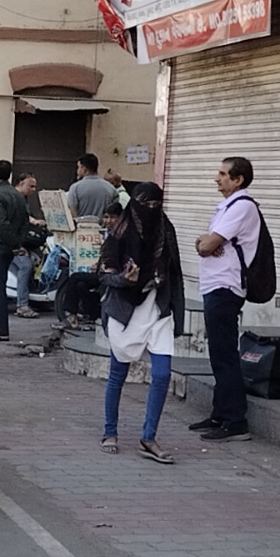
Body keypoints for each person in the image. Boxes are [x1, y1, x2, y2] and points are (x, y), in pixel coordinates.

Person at [98, 182, 185, 463]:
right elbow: (104, 274)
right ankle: (109, 431)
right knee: (117, 374)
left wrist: (179, 316)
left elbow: (176, 274)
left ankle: (148, 438)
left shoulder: (166, 230)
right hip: (124, 311)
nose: (151, 210)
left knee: (162, 375)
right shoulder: (118, 233)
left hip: (157, 309)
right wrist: (125, 279)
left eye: (156, 204)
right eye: (145, 204)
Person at [191, 156, 260, 443]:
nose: (216, 178)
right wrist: (205, 243)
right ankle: (220, 413)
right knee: (218, 354)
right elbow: (205, 243)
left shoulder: (242, 206)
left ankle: (235, 421)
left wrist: (206, 243)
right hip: (215, 286)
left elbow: (207, 244)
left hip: (226, 287)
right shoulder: (228, 206)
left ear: (238, 179)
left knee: (225, 355)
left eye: (222, 174)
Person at [0, 159, 27, 341]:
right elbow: (25, 221)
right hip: (10, 246)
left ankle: (0, 329)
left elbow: (0, 222)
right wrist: (18, 243)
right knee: (0, 286)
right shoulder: (18, 195)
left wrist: (13, 242)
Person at [9, 173, 45, 320]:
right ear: (20, 183)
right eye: (31, 186)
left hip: (22, 242)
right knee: (26, 266)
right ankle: (22, 305)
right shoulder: (13, 199)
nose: (33, 190)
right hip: (12, 244)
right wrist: (16, 245)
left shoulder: (23, 199)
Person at [66, 153, 119, 219]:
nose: (77, 171)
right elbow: (115, 212)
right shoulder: (111, 189)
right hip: (102, 225)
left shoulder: (75, 188)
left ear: (84, 169)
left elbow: (73, 212)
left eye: (78, 167)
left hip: (81, 225)